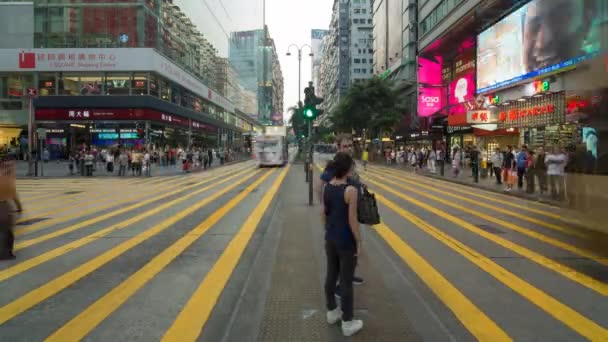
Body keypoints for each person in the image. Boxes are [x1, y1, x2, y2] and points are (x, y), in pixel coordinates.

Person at [321, 152, 364, 336]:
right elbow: (352, 220)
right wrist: (359, 242)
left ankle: (332, 312)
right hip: (346, 241)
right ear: (347, 169)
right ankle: (348, 322)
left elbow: (323, 214)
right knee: (346, 281)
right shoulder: (350, 191)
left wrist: (328, 231)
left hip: (330, 238)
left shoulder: (327, 188)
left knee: (331, 274)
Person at [317, 134, 364, 286]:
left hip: (351, 212)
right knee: (342, 252)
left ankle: (349, 275)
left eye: (350, 145)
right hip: (341, 219)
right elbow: (319, 186)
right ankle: (340, 285)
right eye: (345, 146)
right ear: (338, 147)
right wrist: (325, 207)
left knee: (351, 251)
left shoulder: (350, 163)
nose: (349, 148)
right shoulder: (335, 165)